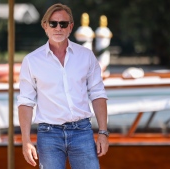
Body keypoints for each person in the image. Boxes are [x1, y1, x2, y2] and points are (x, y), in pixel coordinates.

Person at [17, 3, 109, 169]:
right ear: (45, 26)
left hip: (82, 131)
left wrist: (103, 132)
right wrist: (26, 141)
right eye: (53, 23)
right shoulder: (31, 61)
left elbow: (98, 94)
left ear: (70, 27)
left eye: (63, 24)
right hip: (48, 134)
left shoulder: (86, 56)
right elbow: (25, 101)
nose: (58, 28)